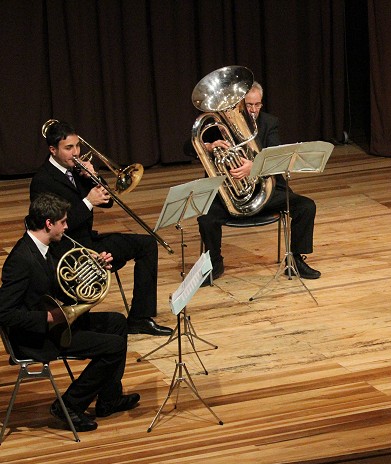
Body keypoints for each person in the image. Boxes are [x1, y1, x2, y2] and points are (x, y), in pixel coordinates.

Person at [0, 193, 140, 432]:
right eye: (63, 222)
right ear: (48, 223)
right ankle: (69, 405)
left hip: (57, 324)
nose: (67, 227)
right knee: (114, 346)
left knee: (117, 322)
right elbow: (4, 312)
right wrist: (46, 317)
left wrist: (97, 267)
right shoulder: (21, 260)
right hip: (38, 337)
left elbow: (63, 287)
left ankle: (109, 398)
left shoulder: (47, 248)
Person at [30, 121, 172, 335]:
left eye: (77, 146)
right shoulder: (42, 180)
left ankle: (140, 318)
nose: (76, 153)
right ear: (53, 150)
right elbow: (52, 228)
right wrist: (88, 201)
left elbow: (108, 201)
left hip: (89, 241)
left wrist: (93, 177)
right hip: (66, 252)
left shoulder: (76, 170)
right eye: (68, 148)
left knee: (147, 244)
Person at [197, 81, 320, 282]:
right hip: (230, 195)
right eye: (249, 105)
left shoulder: (269, 122)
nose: (254, 110)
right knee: (206, 218)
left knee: (306, 206)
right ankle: (215, 263)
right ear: (238, 104)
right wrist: (209, 147)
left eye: (257, 105)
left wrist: (253, 167)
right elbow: (188, 147)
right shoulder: (219, 124)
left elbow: (275, 157)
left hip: (265, 191)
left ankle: (295, 261)